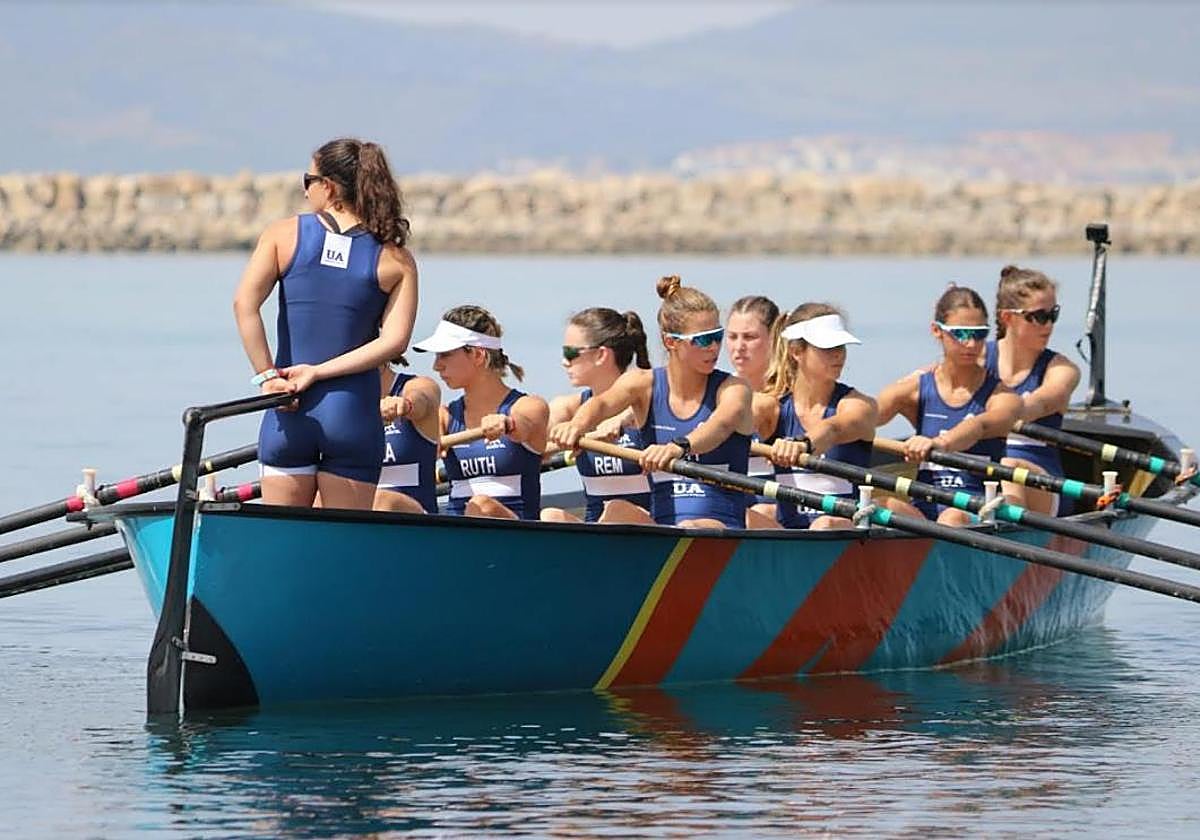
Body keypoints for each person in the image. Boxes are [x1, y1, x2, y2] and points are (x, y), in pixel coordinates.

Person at [234, 137, 417, 510]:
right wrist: (317, 373)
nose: (305, 192)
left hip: (288, 408)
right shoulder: (395, 257)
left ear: (328, 186)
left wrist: (268, 376)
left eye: (308, 180)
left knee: (283, 547)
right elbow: (395, 343)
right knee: (345, 550)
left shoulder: (283, 234)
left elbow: (244, 305)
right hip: (352, 415)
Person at [550, 276, 753, 530]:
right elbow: (601, 404)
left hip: (721, 532)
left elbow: (721, 425)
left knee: (689, 526)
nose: (714, 347)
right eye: (702, 339)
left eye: (717, 336)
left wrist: (678, 447)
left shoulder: (734, 389)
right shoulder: (642, 384)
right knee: (616, 508)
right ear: (671, 341)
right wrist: (578, 425)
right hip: (661, 533)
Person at [876, 285, 1022, 526]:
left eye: (979, 334)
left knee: (951, 517)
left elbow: (979, 426)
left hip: (979, 511)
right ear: (937, 331)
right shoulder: (912, 389)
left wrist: (938, 443)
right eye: (961, 334)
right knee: (882, 505)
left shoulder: (1003, 397)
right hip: (926, 511)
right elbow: (862, 417)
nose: (971, 344)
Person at [414, 306, 548, 520]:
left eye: (445, 355)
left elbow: (524, 424)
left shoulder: (529, 406)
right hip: (462, 536)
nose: (436, 366)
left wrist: (507, 424)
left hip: (518, 540)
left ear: (477, 355)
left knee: (481, 505)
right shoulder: (444, 416)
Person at [755, 304, 877, 529]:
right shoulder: (772, 408)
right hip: (788, 531)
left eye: (840, 345)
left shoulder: (858, 405)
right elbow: (729, 420)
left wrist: (802, 444)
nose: (838, 354)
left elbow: (832, 429)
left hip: (843, 528)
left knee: (824, 523)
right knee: (752, 513)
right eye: (827, 347)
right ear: (796, 351)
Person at [541, 308, 653, 523]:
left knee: (617, 510)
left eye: (571, 353)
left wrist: (621, 419)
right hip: (598, 529)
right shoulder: (567, 408)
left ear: (601, 355)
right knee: (550, 516)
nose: (564, 362)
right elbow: (532, 450)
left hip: (652, 529)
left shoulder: (646, 402)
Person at [986, 266, 1081, 515]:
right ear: (1007, 318)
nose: (1048, 325)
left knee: (1008, 467)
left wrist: (994, 417)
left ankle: (1010, 544)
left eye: (1053, 315)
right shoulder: (976, 360)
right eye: (1039, 316)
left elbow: (1039, 403)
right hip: (981, 469)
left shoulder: (1061, 369)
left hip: (1043, 483)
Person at [725, 295, 782, 522]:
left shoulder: (791, 398)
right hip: (733, 504)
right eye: (732, 337)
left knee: (756, 514)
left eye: (749, 337)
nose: (739, 347)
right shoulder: (719, 392)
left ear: (774, 339)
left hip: (777, 510)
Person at [373, 359, 441, 514]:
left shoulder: (416, 385)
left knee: (382, 500)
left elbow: (423, 398)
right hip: (362, 518)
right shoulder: (345, 403)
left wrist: (407, 404)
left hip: (417, 522)